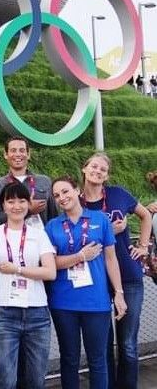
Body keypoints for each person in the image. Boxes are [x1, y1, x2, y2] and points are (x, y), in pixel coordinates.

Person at [46, 175, 127, 389]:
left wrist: (118, 292)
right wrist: (80, 257)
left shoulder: (100, 220)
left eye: (65, 191)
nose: (62, 197)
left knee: (98, 360)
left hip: (96, 301)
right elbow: (51, 264)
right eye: (57, 195)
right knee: (69, 359)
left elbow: (111, 258)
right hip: (63, 303)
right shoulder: (52, 226)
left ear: (77, 191)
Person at [81, 153, 152, 389]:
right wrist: (107, 230)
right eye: (94, 166)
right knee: (103, 343)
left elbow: (145, 215)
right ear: (84, 169)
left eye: (103, 169)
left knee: (128, 343)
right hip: (97, 279)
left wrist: (143, 246)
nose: (98, 171)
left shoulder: (118, 194)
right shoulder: (76, 203)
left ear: (107, 175)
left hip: (129, 276)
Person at [0, 182, 56, 389]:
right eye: (10, 201)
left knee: (36, 380)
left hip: (37, 313)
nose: (16, 206)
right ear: (3, 205)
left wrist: (17, 269)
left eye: (22, 201)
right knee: (5, 380)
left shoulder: (39, 234)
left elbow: (50, 272)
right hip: (4, 312)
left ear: (28, 204)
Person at [0, 136, 57, 228]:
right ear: (5, 154)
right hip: (11, 239)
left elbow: (54, 216)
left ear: (28, 154)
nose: (18, 154)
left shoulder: (44, 181)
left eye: (22, 150)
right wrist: (28, 210)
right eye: (13, 150)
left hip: (41, 238)